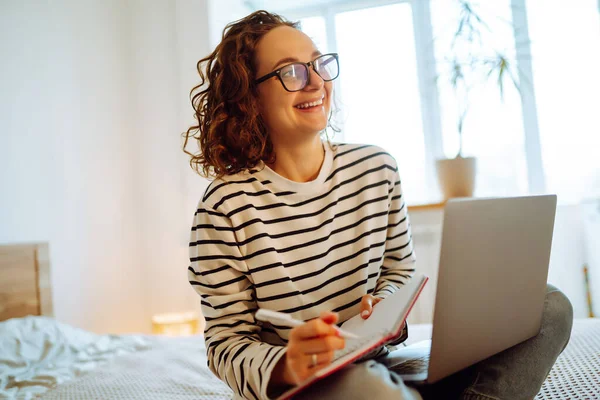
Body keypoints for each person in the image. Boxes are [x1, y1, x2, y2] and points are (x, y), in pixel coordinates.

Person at [184, 10, 573, 400]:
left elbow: (399, 272)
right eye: (292, 72)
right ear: (250, 95)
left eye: (318, 64)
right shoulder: (224, 207)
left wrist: (385, 308)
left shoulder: (376, 168)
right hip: (306, 387)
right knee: (373, 389)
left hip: (385, 365)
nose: (317, 82)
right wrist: (290, 364)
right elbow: (226, 343)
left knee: (548, 304)